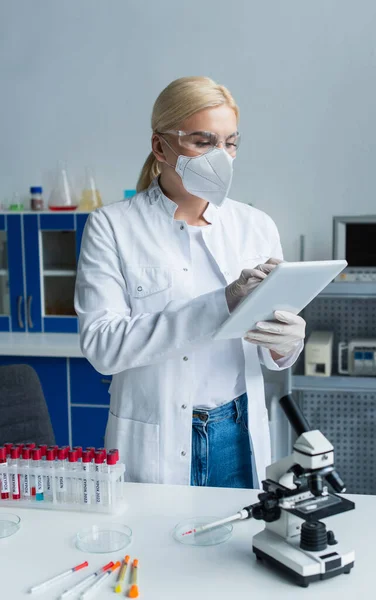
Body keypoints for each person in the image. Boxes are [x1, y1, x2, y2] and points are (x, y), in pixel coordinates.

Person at [75, 76, 305, 489]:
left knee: (236, 549)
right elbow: (103, 347)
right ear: (160, 146)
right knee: (155, 549)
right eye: (203, 142)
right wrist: (223, 302)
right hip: (157, 435)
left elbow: (271, 353)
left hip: (237, 433)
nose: (221, 157)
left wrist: (286, 343)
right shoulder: (112, 226)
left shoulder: (255, 226)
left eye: (229, 143)